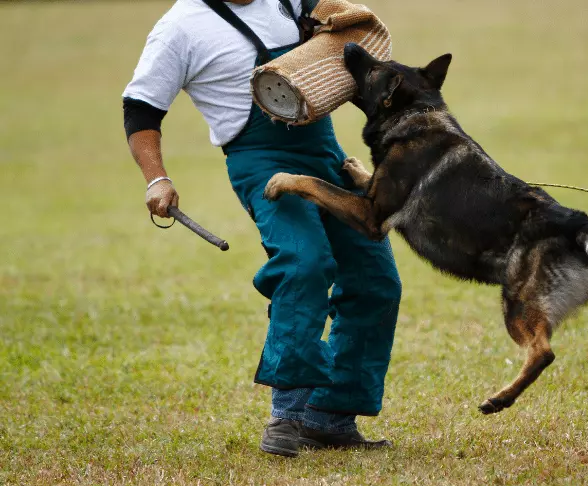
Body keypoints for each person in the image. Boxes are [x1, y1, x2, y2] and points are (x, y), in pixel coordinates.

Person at [122, 0, 402, 458]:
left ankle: (329, 418)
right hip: (260, 162)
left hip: (326, 153)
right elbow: (140, 108)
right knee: (303, 264)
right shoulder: (179, 28)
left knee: (376, 282)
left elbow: (337, 21)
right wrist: (157, 178)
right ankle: (287, 413)